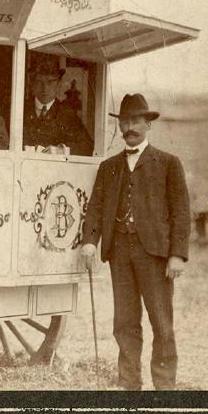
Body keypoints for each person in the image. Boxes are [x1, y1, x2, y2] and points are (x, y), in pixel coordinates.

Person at [79, 93, 190, 390]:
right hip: (119, 253)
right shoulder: (109, 166)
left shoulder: (168, 163)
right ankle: (129, 385)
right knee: (124, 322)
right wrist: (90, 241)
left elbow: (181, 211)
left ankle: (164, 387)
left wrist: (177, 255)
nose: (130, 127)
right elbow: (96, 207)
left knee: (161, 323)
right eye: (125, 121)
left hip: (154, 254)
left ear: (148, 125)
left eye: (136, 121)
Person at [23, 61, 94, 156]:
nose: (45, 88)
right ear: (32, 84)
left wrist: (61, 150)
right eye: (40, 82)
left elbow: (87, 146)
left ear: (58, 84)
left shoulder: (67, 114)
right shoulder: (21, 109)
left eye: (50, 82)